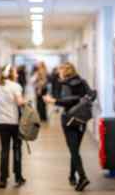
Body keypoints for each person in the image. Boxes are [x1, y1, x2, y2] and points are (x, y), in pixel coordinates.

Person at [44, 62, 92, 192]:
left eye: (60, 70)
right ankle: (72, 176)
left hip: (69, 119)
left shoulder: (64, 84)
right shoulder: (82, 82)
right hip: (82, 119)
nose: (58, 72)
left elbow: (67, 101)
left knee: (73, 149)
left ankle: (82, 177)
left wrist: (53, 101)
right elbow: (92, 95)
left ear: (65, 71)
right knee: (75, 149)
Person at [0, 64, 27, 189]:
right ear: (11, 74)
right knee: (17, 149)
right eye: (16, 72)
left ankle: (2, 179)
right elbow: (19, 102)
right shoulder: (15, 86)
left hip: (2, 122)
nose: (17, 74)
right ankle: (18, 177)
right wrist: (26, 101)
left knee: (4, 150)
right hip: (14, 122)